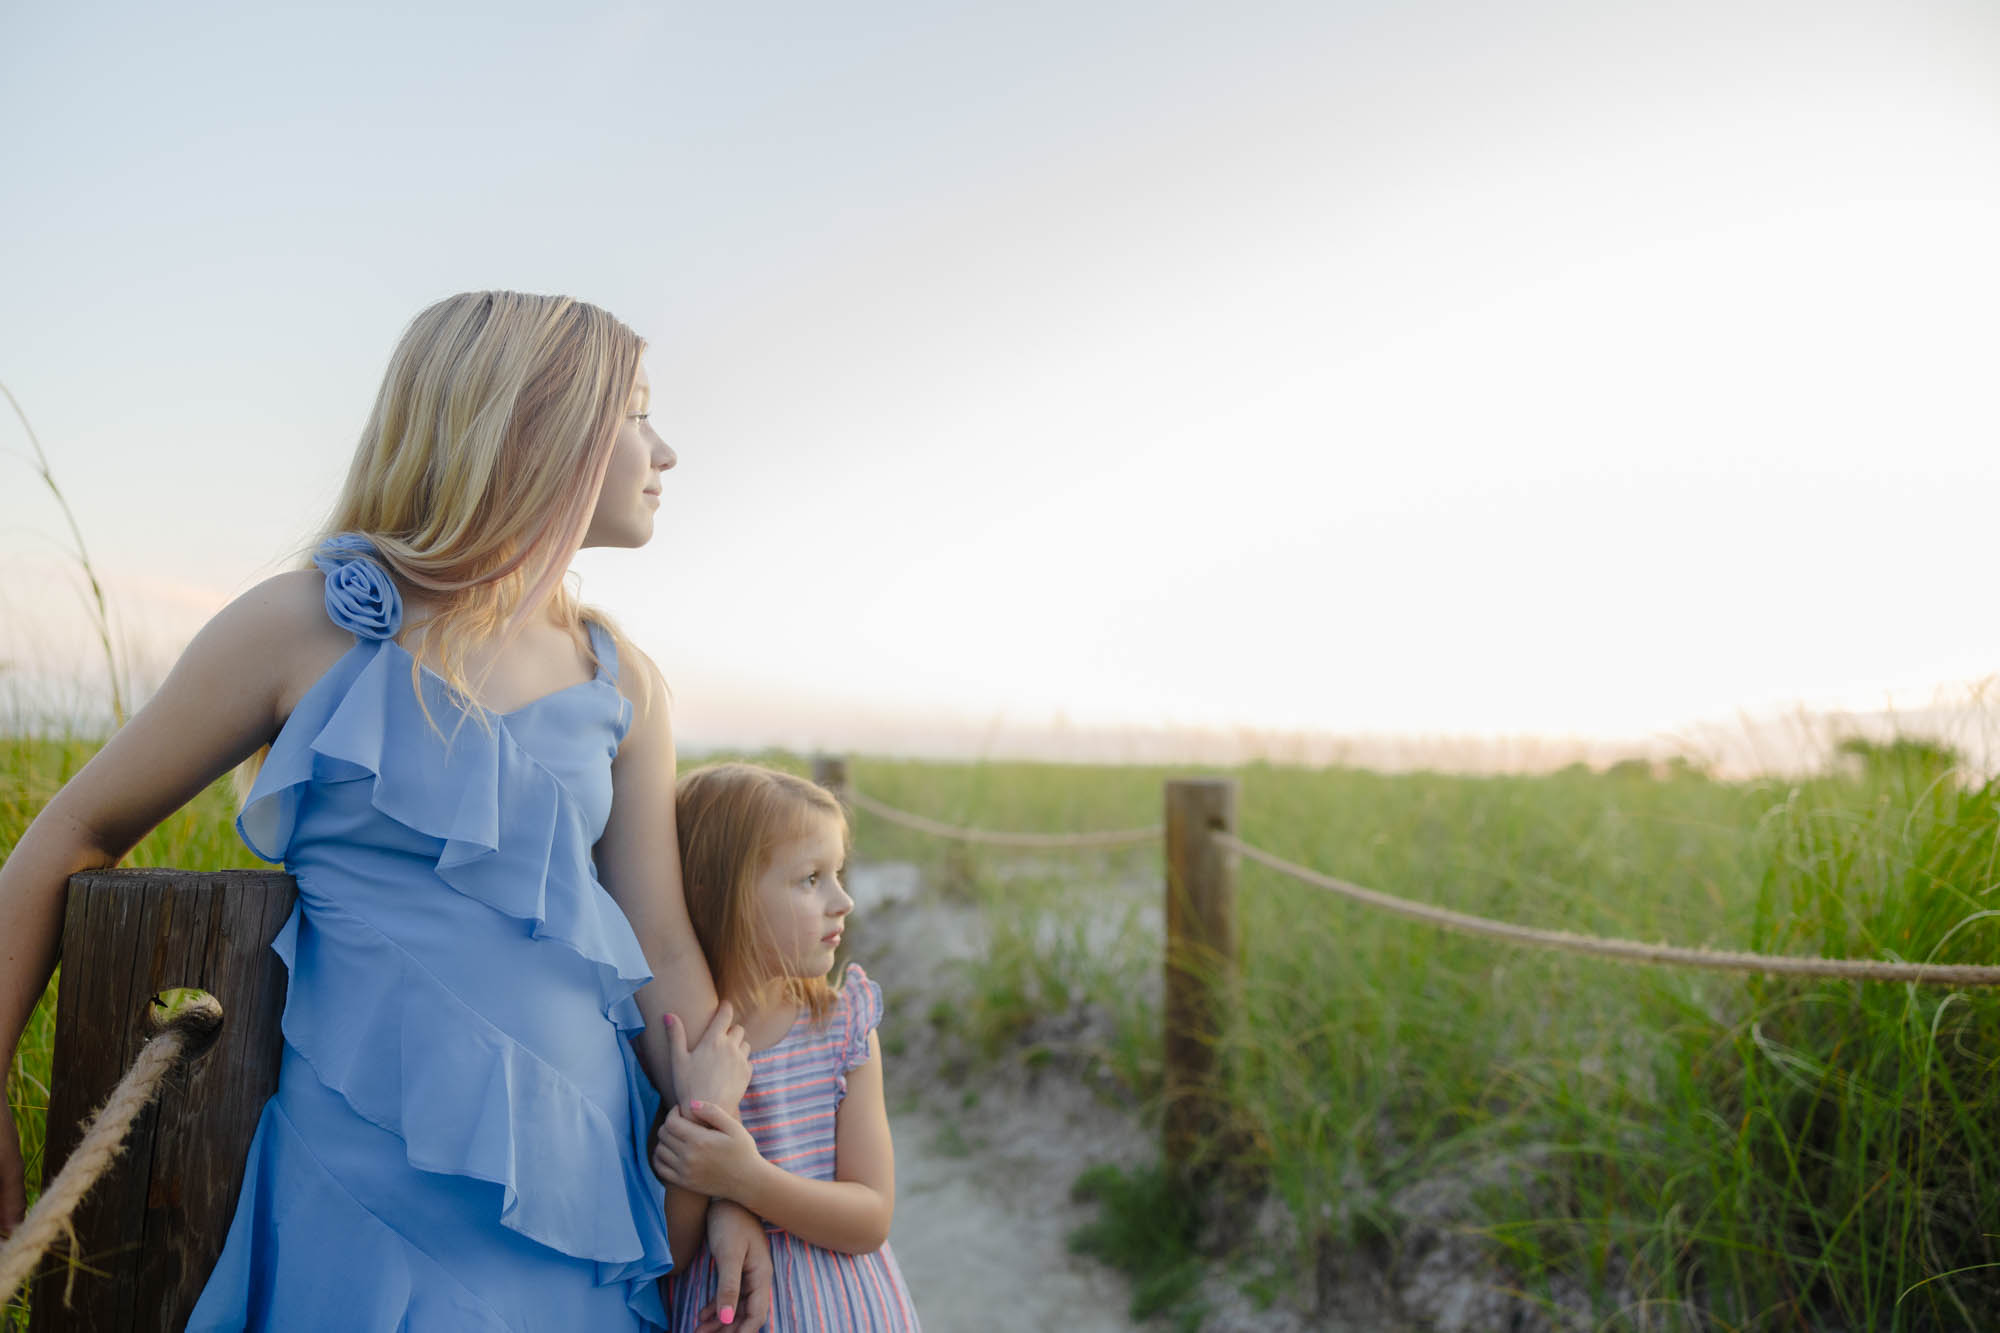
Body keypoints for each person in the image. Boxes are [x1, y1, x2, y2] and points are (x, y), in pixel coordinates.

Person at [0, 291, 776, 1331]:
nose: (665, 449)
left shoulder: (619, 677)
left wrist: (732, 1179)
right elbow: (72, 832)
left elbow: (665, 958)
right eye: (635, 411)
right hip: (363, 1189)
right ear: (533, 425)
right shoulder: (303, 625)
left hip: (574, 1187)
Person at [654, 762, 921, 1332]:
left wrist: (747, 1181)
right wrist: (708, 1118)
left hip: (847, 1312)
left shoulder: (842, 1028)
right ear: (717, 893)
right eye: (810, 879)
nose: (842, 900)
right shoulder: (677, 1044)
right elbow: (670, 1253)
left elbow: (871, 1215)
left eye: (838, 873)